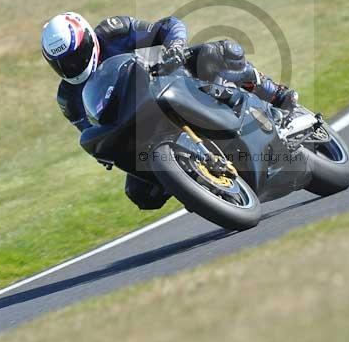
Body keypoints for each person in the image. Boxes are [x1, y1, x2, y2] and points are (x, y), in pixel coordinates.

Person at [41, 11, 298, 209]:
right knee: (140, 194)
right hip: (133, 123)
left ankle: (276, 95)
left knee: (216, 53)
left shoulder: (113, 32)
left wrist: (174, 47)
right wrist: (101, 150)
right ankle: (198, 184)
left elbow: (167, 26)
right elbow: (90, 128)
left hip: (168, 80)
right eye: (62, 63)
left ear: (88, 39)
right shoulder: (68, 98)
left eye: (75, 55)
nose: (72, 65)